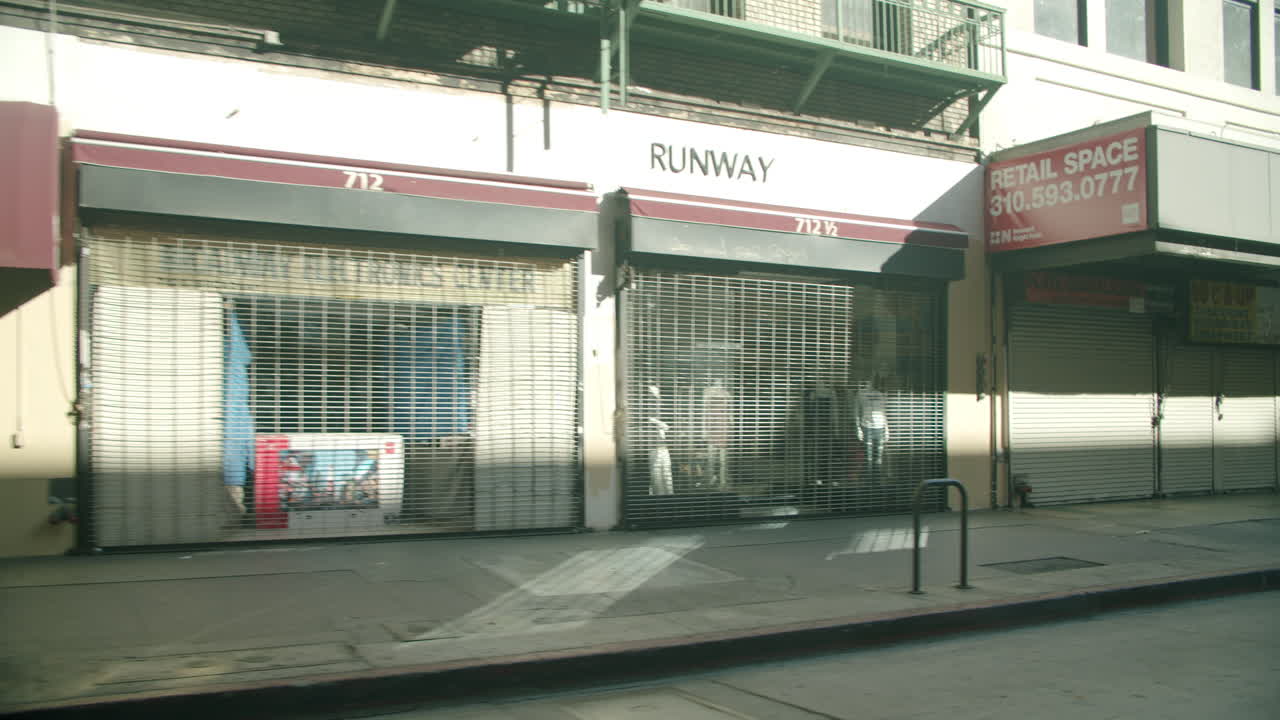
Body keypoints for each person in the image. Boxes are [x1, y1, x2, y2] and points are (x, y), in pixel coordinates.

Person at [854, 374, 889, 480]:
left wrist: (887, 429)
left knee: (878, 457)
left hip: (880, 427)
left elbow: (883, 412)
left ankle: (876, 481)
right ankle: (869, 481)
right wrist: (858, 428)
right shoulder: (860, 394)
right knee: (868, 457)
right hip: (867, 427)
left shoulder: (880, 394)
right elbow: (856, 413)